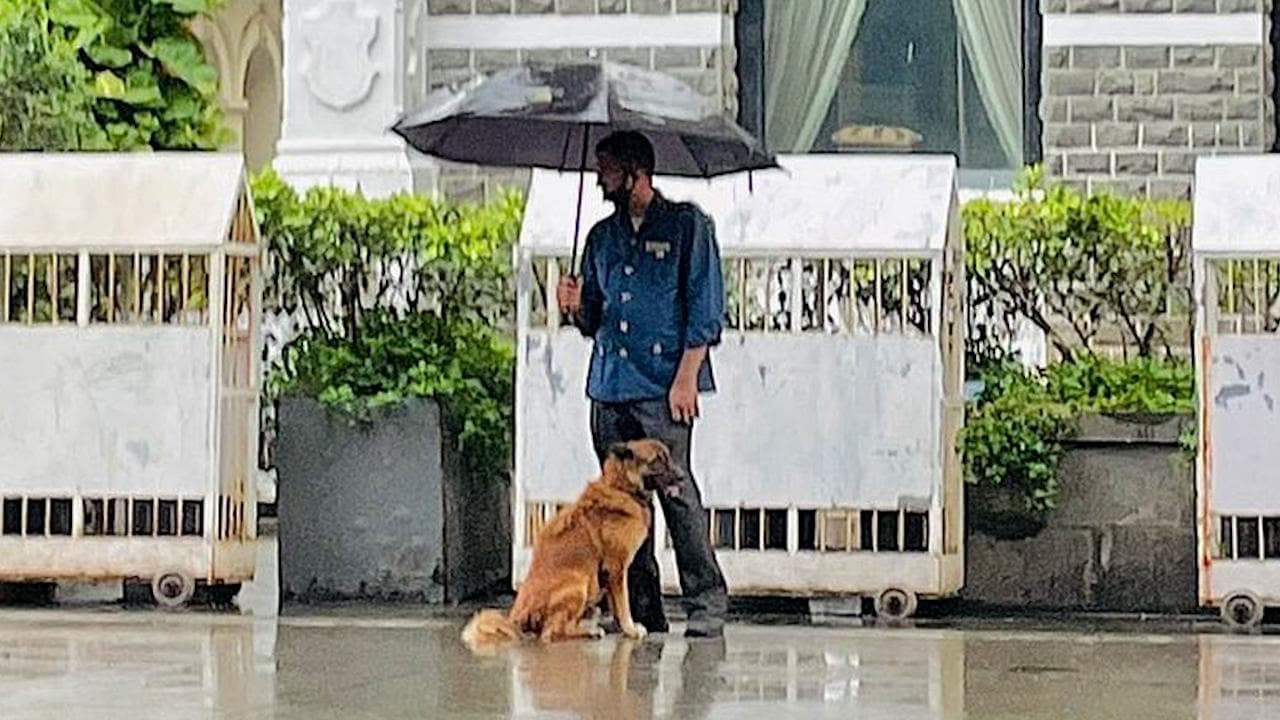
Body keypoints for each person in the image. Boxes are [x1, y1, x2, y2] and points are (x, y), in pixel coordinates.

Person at [555, 130, 728, 638]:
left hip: (663, 385)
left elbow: (705, 308)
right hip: (610, 386)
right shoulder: (601, 238)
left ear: (637, 173)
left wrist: (687, 378)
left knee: (676, 493)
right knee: (621, 505)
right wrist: (574, 304)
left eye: (608, 170)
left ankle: (706, 603)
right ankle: (643, 611)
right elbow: (593, 319)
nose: (600, 179)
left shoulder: (686, 226)